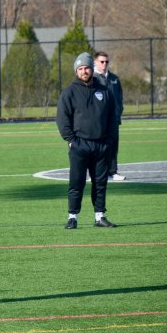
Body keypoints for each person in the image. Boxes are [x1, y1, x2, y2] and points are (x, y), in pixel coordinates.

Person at [56, 52, 117, 229]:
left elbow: (112, 117)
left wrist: (109, 140)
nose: (84, 71)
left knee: (100, 183)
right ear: (76, 71)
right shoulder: (69, 93)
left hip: (101, 145)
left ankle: (100, 217)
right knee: (77, 182)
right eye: (80, 68)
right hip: (79, 145)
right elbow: (62, 119)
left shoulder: (104, 90)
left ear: (92, 69)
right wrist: (72, 140)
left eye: (87, 68)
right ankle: (72, 217)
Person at [94, 50, 125, 181]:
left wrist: (118, 113)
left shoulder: (114, 79)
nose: (104, 64)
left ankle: (113, 172)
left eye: (106, 62)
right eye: (102, 61)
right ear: (95, 62)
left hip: (113, 120)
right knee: (97, 148)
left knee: (113, 146)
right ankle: (96, 173)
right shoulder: (92, 79)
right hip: (98, 122)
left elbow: (119, 98)